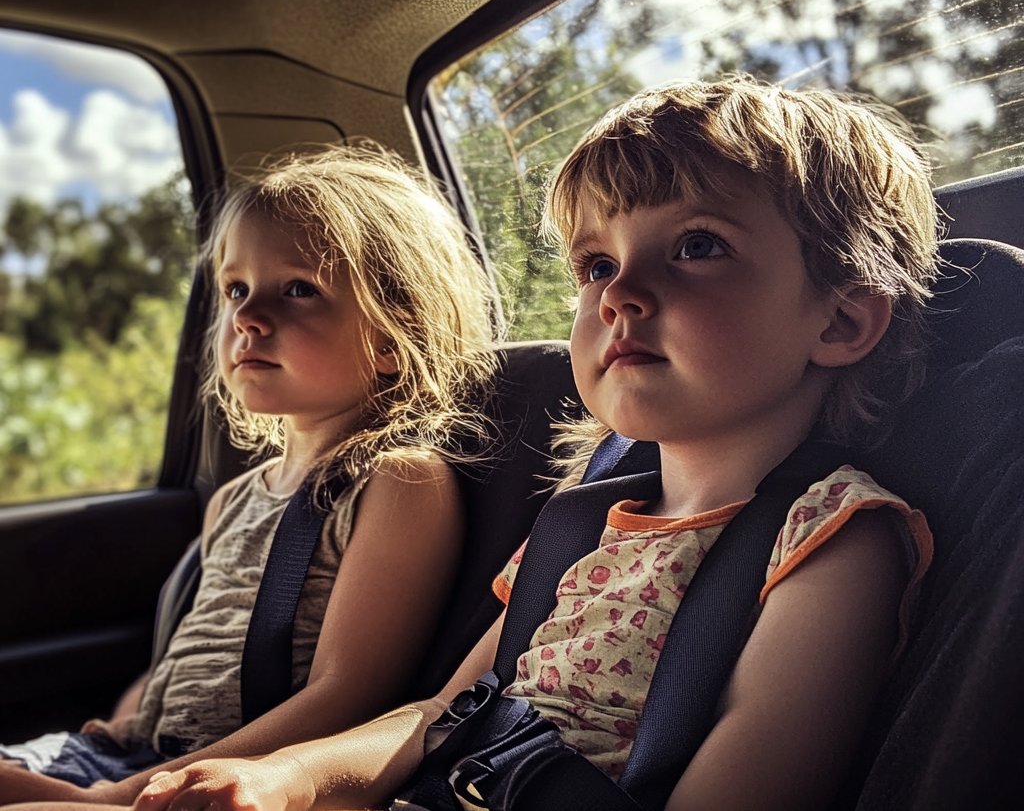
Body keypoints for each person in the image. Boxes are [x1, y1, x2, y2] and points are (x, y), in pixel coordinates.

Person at [15, 74, 939, 811]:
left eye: (697, 246)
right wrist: (282, 779)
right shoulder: (584, 525)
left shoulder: (830, 544)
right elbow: (447, 714)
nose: (619, 293)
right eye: (596, 264)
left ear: (845, 318)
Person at [0, 143, 497, 807]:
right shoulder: (233, 499)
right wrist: (117, 733)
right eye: (236, 289)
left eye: (298, 290)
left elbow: (347, 697)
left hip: (220, 781)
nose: (247, 317)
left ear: (389, 337)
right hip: (121, 756)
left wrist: (116, 795)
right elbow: (180, 659)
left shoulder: (399, 483)